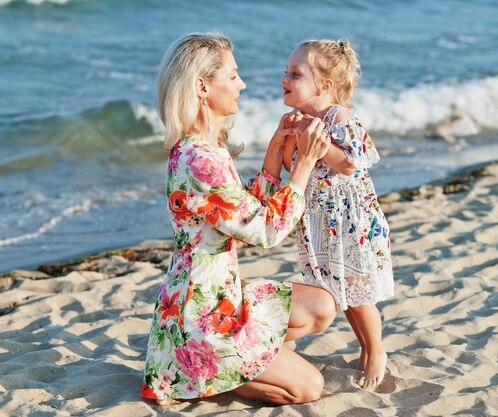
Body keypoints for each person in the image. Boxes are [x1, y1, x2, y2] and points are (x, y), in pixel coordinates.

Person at [141, 32, 337, 407]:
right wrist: (306, 163)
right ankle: (208, 374)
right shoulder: (199, 160)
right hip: (200, 317)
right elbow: (265, 231)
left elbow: (242, 210)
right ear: (202, 86)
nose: (242, 84)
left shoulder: (206, 146)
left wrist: (276, 151)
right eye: (232, 76)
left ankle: (245, 362)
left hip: (221, 295)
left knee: (320, 306)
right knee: (308, 388)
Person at [281, 39, 394, 388]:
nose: (284, 77)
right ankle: (363, 348)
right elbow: (292, 167)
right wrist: (289, 137)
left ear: (324, 86)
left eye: (295, 73)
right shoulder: (300, 119)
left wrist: (319, 142)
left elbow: (351, 162)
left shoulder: (338, 117)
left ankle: (375, 351)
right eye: (286, 71)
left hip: (351, 221)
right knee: (339, 292)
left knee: (358, 292)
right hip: (319, 222)